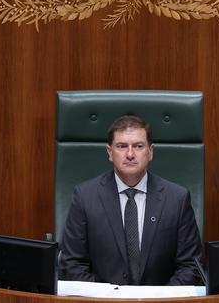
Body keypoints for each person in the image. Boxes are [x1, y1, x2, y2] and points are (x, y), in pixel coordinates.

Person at [59, 115, 202, 286]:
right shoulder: (84, 196)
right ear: (109, 152)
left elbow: (190, 266)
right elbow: (72, 264)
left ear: (150, 152)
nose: (130, 154)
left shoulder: (177, 198)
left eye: (138, 146)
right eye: (121, 146)